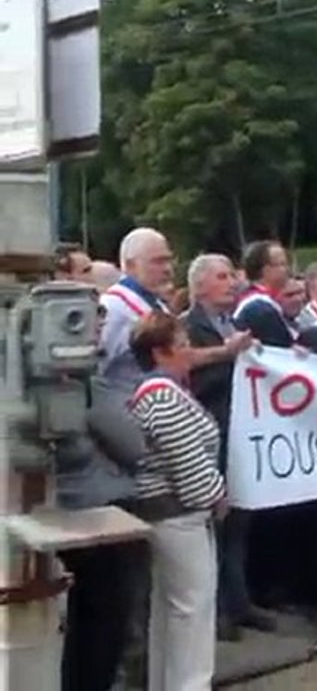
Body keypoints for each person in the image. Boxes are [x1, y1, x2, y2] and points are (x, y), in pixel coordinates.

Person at [129, 313, 227, 691]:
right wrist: (215, 494)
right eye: (182, 345)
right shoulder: (163, 397)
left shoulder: (163, 392)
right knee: (192, 609)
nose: (190, 351)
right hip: (176, 514)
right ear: (160, 353)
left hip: (169, 511)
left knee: (172, 609)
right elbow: (186, 459)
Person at [55, 295, 147, 691]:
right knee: (104, 625)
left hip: (64, 514)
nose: (98, 332)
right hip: (100, 517)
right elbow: (134, 445)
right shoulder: (86, 388)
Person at [182, 254, 270, 643]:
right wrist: (231, 360)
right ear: (200, 285)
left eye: (233, 276)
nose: (232, 282)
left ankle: (239, 601)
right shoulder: (188, 327)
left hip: (239, 435)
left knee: (238, 522)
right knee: (213, 528)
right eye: (222, 277)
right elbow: (190, 380)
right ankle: (216, 612)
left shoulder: (232, 325)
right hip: (209, 434)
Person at [99, 228, 174, 391]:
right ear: (130, 265)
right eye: (158, 262)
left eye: (169, 260)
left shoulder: (157, 304)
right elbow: (97, 368)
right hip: (126, 400)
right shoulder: (113, 307)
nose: (168, 268)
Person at [233, 240, 294, 348]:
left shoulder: (260, 301)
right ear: (265, 270)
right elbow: (282, 347)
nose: (287, 270)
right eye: (282, 264)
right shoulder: (261, 308)